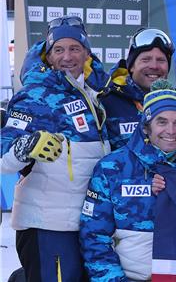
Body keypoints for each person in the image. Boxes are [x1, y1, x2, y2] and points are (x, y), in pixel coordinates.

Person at [1, 17, 109, 282]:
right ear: (48, 56)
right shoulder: (35, 95)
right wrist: (28, 145)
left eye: (74, 48)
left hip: (86, 227)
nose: (67, 56)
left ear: (87, 53)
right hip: (47, 228)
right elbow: (3, 155)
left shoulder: (94, 94)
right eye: (58, 50)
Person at [79, 80, 176, 281]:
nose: (171, 130)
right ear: (146, 126)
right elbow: (94, 236)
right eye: (162, 121)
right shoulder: (112, 168)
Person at [98, 27, 175, 150]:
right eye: (146, 59)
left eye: (161, 60)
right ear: (131, 66)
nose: (154, 66)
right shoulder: (105, 102)